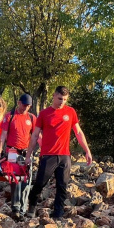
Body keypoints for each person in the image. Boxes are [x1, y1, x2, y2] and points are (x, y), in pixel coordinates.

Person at [25, 86, 93, 219]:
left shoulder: (70, 112)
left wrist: (87, 151)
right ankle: (31, 207)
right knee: (40, 184)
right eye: (60, 98)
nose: (62, 102)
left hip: (64, 155)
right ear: (54, 96)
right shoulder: (44, 114)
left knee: (62, 185)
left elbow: (78, 132)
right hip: (48, 155)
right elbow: (35, 136)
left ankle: (58, 213)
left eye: (65, 99)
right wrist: (28, 156)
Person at [0, 94, 37, 217]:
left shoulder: (31, 118)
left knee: (26, 179)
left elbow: (36, 135)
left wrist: (44, 149)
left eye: (28, 106)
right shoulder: (10, 116)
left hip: (26, 152)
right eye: (24, 105)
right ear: (19, 103)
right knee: (15, 179)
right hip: (12, 152)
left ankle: (23, 208)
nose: (26, 108)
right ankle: (15, 207)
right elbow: (3, 135)